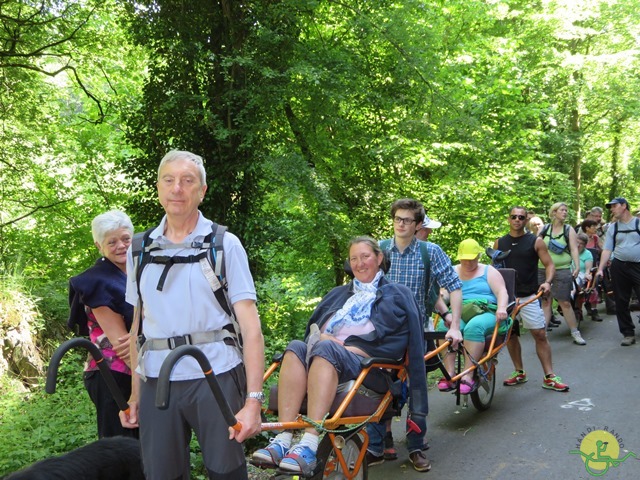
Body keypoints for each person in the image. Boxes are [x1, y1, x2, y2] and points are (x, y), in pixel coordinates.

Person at [119, 150, 264, 479]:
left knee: (226, 471)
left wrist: (253, 401)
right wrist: (134, 393)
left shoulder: (224, 245)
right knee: (161, 474)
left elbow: (251, 330)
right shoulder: (140, 249)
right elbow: (137, 326)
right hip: (156, 379)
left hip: (216, 374)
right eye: (169, 180)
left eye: (187, 181)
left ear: (202, 190)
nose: (177, 189)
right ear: (158, 188)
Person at [251, 237, 429, 475]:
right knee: (295, 347)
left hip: (369, 368)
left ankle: (309, 443)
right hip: (325, 359)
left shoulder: (398, 294)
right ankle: (283, 438)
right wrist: (323, 340)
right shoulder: (337, 295)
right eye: (354, 258)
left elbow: (411, 343)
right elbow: (310, 335)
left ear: (379, 258)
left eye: (365, 256)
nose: (359, 263)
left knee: (326, 349)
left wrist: (418, 400)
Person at [367, 198, 463, 472]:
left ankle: (416, 445)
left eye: (407, 220)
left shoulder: (430, 252)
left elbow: (454, 287)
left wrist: (454, 325)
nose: (401, 224)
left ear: (418, 224)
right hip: (380, 331)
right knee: (375, 384)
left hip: (414, 332)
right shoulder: (380, 249)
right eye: (397, 218)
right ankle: (378, 443)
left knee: (417, 390)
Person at [68, 210, 139, 439]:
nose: (121, 246)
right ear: (99, 246)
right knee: (120, 449)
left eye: (126, 239)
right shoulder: (97, 281)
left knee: (146, 449)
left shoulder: (139, 272)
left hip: (139, 373)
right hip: (114, 377)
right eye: (112, 242)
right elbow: (124, 348)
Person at [495, 206, 569, 392]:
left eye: (521, 217)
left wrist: (548, 282)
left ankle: (549, 376)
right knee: (510, 335)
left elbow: (549, 264)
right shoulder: (499, 243)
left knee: (540, 334)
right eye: (514, 216)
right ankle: (519, 372)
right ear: (508, 219)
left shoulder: (535, 241)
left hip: (529, 295)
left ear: (526, 219)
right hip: (507, 297)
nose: (517, 220)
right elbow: (493, 270)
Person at [436, 239, 509, 393]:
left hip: (485, 310)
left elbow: (501, 291)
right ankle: (449, 373)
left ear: (478, 256)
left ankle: (468, 375)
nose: (468, 263)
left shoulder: (489, 271)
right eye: (465, 259)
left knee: (474, 327)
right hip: (460, 311)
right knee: (443, 326)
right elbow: (447, 294)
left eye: (472, 259)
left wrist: (502, 307)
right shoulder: (453, 271)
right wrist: (442, 297)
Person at [537, 202, 586, 345]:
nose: (565, 212)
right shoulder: (544, 229)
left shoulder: (568, 229)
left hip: (562, 269)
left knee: (565, 302)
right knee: (545, 302)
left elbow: (574, 249)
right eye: (562, 210)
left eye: (566, 210)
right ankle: (543, 334)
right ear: (553, 213)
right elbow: (534, 246)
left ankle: (575, 332)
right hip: (542, 269)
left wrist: (576, 266)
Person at [596, 197, 640, 346]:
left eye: (614, 206)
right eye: (611, 207)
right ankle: (628, 333)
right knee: (621, 300)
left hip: (638, 266)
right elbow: (607, 249)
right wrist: (600, 269)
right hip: (619, 266)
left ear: (624, 206)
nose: (612, 209)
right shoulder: (613, 228)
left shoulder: (638, 223)